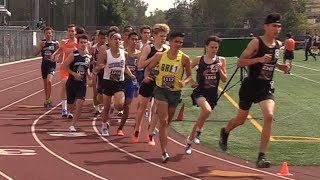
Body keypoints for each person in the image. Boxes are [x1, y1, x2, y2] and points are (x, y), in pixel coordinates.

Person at [219, 13, 289, 168]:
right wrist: (258, 59)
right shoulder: (256, 43)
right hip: (250, 86)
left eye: (279, 26)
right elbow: (240, 62)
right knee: (240, 120)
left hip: (266, 87)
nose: (277, 29)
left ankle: (261, 156)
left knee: (269, 116)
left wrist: (280, 67)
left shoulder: (278, 45)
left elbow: (272, 61)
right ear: (266, 27)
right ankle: (225, 131)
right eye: (274, 26)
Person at [144, 31, 192, 163]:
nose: (178, 44)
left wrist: (185, 82)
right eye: (176, 41)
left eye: (181, 42)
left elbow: (189, 76)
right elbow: (148, 68)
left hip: (175, 93)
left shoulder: (184, 58)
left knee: (167, 123)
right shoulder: (160, 56)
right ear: (169, 42)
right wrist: (146, 77)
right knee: (164, 120)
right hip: (161, 91)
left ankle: (160, 138)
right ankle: (164, 152)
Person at [185, 36, 227, 155]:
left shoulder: (221, 60)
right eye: (212, 47)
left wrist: (220, 69)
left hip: (212, 94)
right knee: (207, 110)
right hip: (200, 92)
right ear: (206, 47)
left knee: (202, 117)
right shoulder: (199, 59)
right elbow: (187, 69)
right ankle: (198, 132)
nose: (214, 49)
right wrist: (192, 81)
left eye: (216, 47)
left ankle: (189, 141)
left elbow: (224, 79)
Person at [133, 23, 170, 145]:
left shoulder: (167, 49)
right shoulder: (148, 48)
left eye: (165, 36)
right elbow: (140, 65)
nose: (163, 38)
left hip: (160, 83)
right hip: (148, 80)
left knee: (156, 110)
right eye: (161, 36)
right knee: (142, 108)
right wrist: (155, 57)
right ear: (154, 36)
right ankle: (137, 128)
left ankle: (150, 133)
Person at [96, 32, 134, 136]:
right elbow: (98, 66)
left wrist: (130, 75)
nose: (117, 41)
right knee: (106, 107)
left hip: (119, 82)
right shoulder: (105, 54)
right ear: (110, 41)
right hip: (107, 82)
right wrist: (97, 70)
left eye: (119, 39)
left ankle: (114, 105)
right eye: (115, 39)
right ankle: (104, 126)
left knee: (120, 106)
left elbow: (125, 67)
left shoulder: (124, 54)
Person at [62, 34, 92, 132]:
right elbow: (64, 66)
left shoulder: (88, 57)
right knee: (71, 105)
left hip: (82, 84)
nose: (83, 44)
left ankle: (72, 125)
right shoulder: (73, 55)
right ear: (78, 44)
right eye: (81, 43)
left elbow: (87, 69)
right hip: (71, 83)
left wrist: (89, 76)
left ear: (87, 44)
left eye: (85, 43)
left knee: (80, 104)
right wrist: (74, 74)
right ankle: (70, 109)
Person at [51, 24, 78, 118]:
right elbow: (60, 50)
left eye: (72, 31)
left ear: (75, 32)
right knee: (64, 84)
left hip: (75, 68)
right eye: (69, 31)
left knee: (74, 89)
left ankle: (72, 106)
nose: (71, 33)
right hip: (65, 68)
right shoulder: (64, 42)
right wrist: (54, 54)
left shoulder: (79, 43)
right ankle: (64, 108)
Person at [117, 32, 140, 136]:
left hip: (132, 83)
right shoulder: (123, 53)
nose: (134, 42)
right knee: (119, 105)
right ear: (128, 40)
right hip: (121, 80)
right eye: (133, 39)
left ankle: (120, 127)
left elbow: (141, 69)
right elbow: (122, 66)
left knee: (127, 105)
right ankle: (113, 107)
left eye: (136, 40)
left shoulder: (139, 54)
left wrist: (138, 84)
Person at [34, 26, 59, 108]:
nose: (48, 34)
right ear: (44, 34)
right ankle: (47, 99)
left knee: (49, 81)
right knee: (45, 84)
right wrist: (40, 47)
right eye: (46, 33)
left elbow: (60, 52)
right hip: (44, 65)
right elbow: (35, 53)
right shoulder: (42, 43)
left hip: (51, 65)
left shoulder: (55, 43)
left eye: (49, 33)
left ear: (52, 34)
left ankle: (48, 99)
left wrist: (56, 57)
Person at [89, 30, 108, 116]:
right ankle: (97, 108)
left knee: (106, 91)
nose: (102, 40)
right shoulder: (93, 48)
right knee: (95, 91)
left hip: (106, 72)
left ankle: (107, 106)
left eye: (104, 38)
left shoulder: (108, 48)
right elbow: (89, 60)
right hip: (96, 72)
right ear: (97, 38)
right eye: (101, 38)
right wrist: (92, 63)